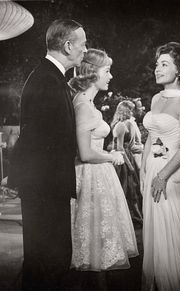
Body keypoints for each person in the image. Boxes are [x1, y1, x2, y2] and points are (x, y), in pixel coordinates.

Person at [7, 19, 87, 291]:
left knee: (49, 263)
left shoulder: (49, 78)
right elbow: (39, 142)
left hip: (46, 188)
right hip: (45, 191)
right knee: (47, 264)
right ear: (67, 45)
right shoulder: (47, 81)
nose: (85, 50)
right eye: (83, 44)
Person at [69, 49, 138, 277]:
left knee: (98, 242)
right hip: (90, 175)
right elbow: (85, 153)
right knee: (91, 244)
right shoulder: (84, 106)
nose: (110, 76)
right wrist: (112, 156)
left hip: (96, 174)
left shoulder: (85, 102)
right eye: (107, 71)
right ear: (91, 73)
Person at [141, 42, 180, 291]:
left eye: (164, 64)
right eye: (157, 64)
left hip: (171, 175)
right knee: (153, 235)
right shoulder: (156, 98)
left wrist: (163, 175)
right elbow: (152, 137)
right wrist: (145, 168)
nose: (158, 68)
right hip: (153, 172)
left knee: (169, 234)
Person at [111, 100, 143, 225]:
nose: (132, 112)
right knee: (128, 187)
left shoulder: (126, 123)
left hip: (128, 156)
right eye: (130, 110)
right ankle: (133, 218)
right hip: (124, 159)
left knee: (133, 187)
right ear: (124, 111)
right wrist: (130, 166)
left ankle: (137, 217)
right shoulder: (121, 126)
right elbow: (120, 148)